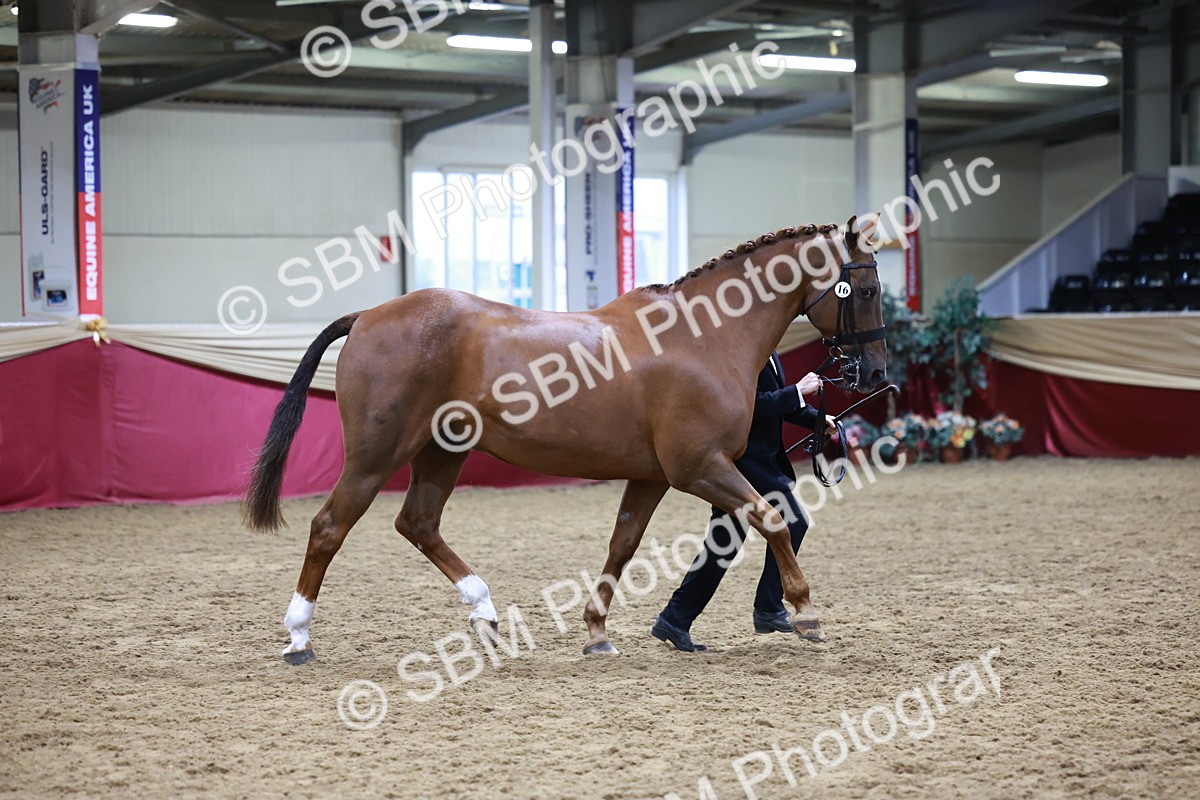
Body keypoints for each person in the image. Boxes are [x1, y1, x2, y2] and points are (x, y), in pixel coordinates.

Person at [650, 352, 829, 652]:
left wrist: (821, 421)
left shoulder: (768, 353)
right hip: (746, 466)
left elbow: (778, 403)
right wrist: (797, 391)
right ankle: (769, 608)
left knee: (724, 543)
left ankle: (675, 619)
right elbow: (751, 405)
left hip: (752, 465)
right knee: (794, 522)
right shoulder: (742, 355)